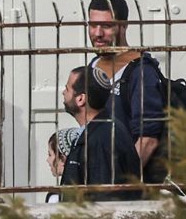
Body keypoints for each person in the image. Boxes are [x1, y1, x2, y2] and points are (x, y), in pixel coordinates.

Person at [85, 0, 170, 184]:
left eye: (107, 26)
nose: (97, 33)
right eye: (92, 25)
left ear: (123, 26)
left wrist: (123, 185)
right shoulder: (94, 64)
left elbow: (148, 138)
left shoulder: (141, 71)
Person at [60, 65, 144, 201]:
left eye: (67, 89)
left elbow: (105, 199)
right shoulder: (100, 130)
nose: (63, 92)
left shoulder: (102, 139)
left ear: (81, 99)